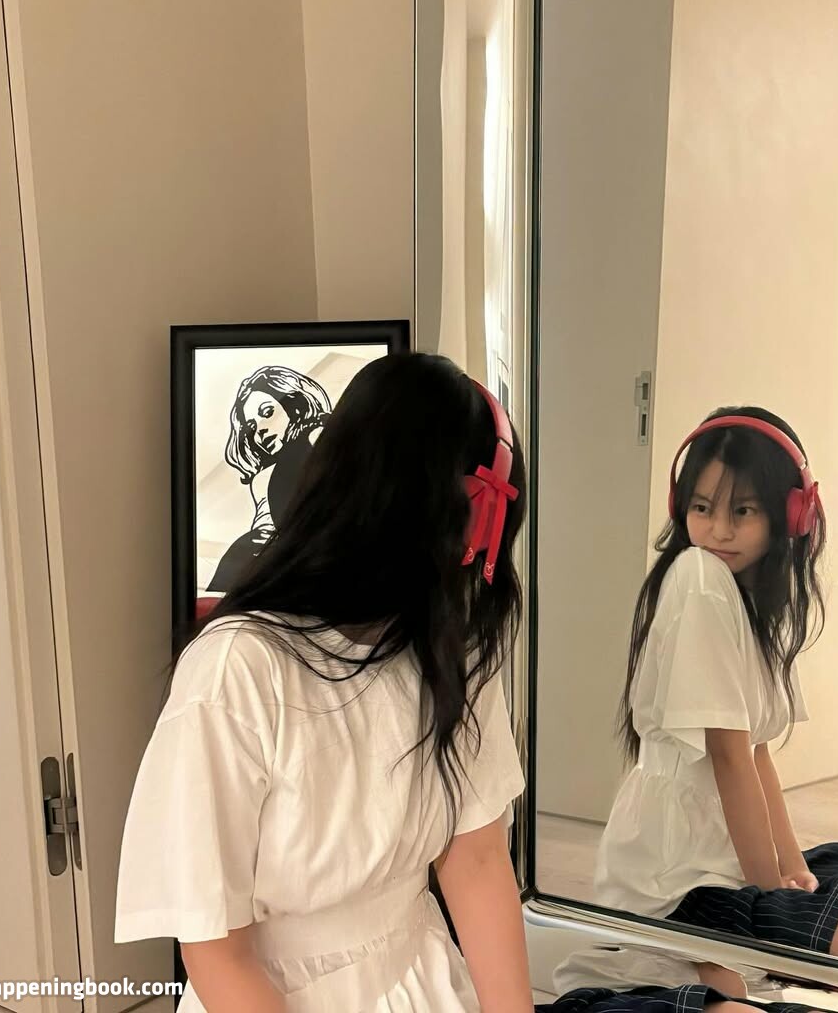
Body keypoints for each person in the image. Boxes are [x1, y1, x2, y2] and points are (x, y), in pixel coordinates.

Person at [115, 352, 533, 1012]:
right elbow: (215, 949)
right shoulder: (239, 668)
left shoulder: (453, 645)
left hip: (420, 972)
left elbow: (476, 857)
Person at [594, 407, 838, 975]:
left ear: (789, 515)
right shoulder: (700, 578)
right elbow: (729, 758)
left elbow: (757, 756)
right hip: (680, 872)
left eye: (743, 511)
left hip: (733, 841)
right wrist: (771, 889)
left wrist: (792, 867)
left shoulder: (753, 600)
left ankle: (775, 944)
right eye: (702, 508)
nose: (719, 530)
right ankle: (745, 952)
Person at [207, 366, 332, 592]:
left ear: (296, 405)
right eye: (251, 426)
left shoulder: (318, 437)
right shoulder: (265, 476)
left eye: (267, 412)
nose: (260, 431)